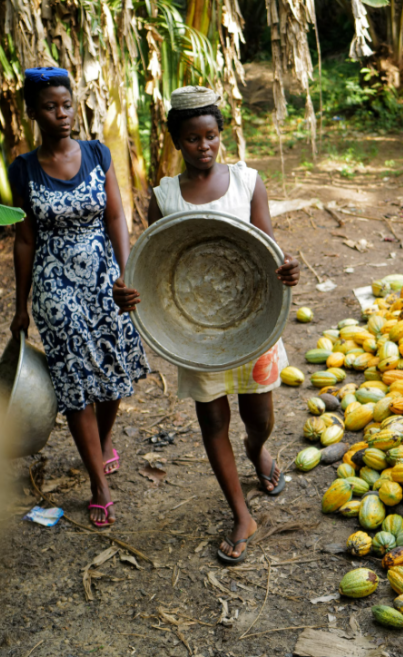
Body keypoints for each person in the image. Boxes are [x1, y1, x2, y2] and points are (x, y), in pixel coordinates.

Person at [113, 86, 300, 564]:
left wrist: (287, 269)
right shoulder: (165, 195)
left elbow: (268, 248)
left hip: (252, 322)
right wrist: (130, 290)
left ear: (222, 135)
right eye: (193, 138)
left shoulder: (247, 182)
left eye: (212, 136)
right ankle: (241, 513)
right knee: (212, 419)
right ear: (177, 140)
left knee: (261, 418)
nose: (204, 146)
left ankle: (257, 450)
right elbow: (151, 265)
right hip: (191, 332)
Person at [8, 67, 150, 528]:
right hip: (55, 284)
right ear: (34, 112)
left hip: (105, 277)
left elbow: (115, 218)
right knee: (75, 377)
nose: (62, 114)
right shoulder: (24, 169)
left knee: (114, 368)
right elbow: (25, 239)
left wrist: (126, 274)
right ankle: (98, 481)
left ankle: (103, 442)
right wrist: (20, 306)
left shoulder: (96, 154)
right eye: (50, 106)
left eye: (67, 104)